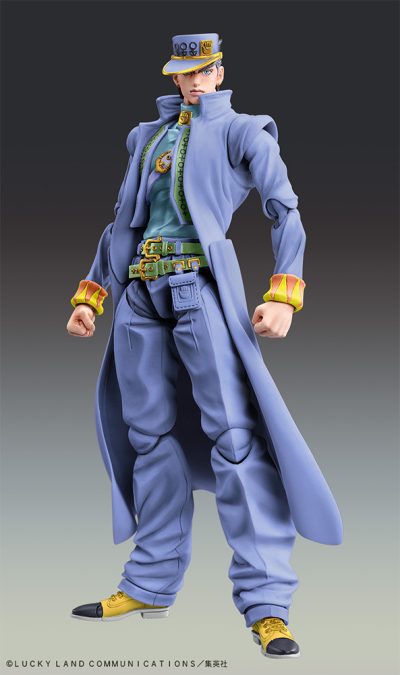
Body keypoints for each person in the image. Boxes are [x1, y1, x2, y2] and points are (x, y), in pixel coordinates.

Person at [66, 33, 342, 659]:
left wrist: (284, 291)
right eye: (183, 73)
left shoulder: (245, 131)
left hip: (197, 287)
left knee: (235, 441)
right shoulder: (146, 137)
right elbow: (122, 223)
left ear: (218, 71)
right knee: (148, 439)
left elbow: (285, 209)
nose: (193, 82)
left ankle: (267, 605)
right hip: (140, 292)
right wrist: (92, 295)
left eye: (202, 71)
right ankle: (149, 584)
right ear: (174, 77)